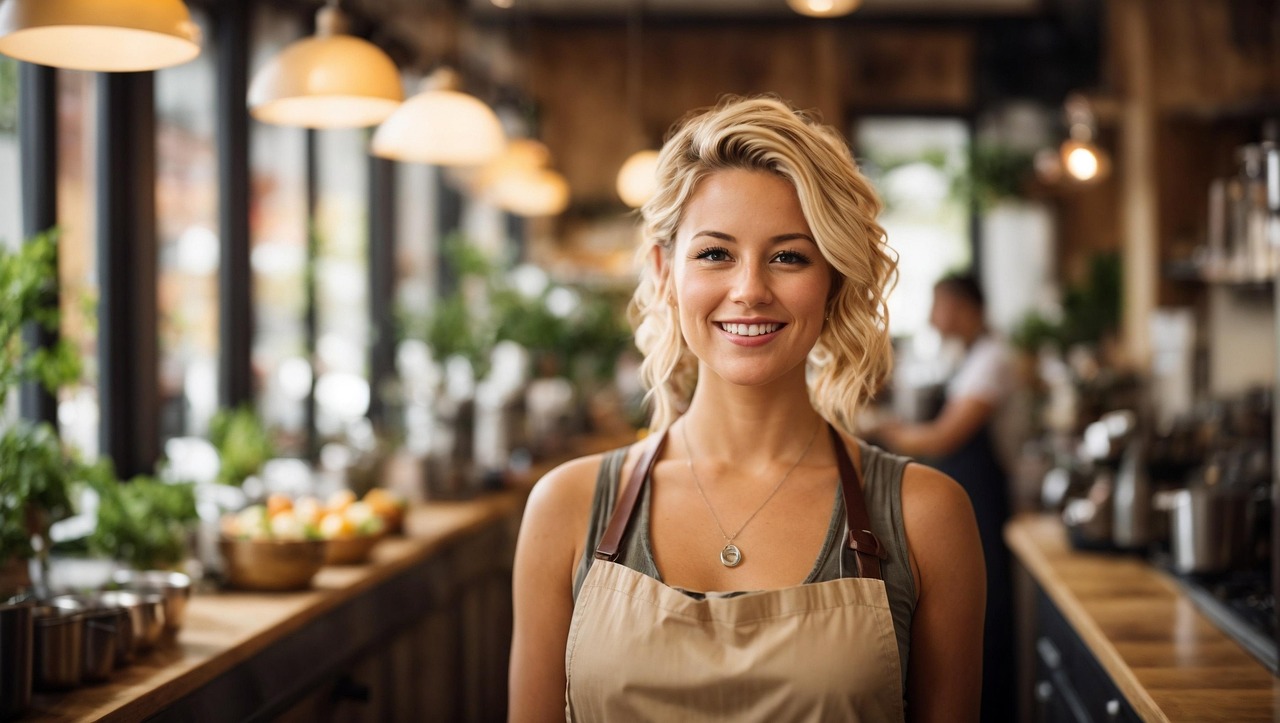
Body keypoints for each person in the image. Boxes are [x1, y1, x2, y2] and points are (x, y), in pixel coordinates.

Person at [509, 96, 985, 722]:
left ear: (834, 279)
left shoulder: (926, 517)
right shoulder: (566, 507)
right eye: (714, 253)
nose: (750, 291)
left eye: (789, 256)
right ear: (663, 272)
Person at [872, 273, 1016, 723]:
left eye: (940, 305)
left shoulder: (993, 359)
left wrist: (879, 430)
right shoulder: (969, 354)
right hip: (971, 485)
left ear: (965, 308)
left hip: (983, 490)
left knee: (985, 609)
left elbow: (943, 437)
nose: (934, 317)